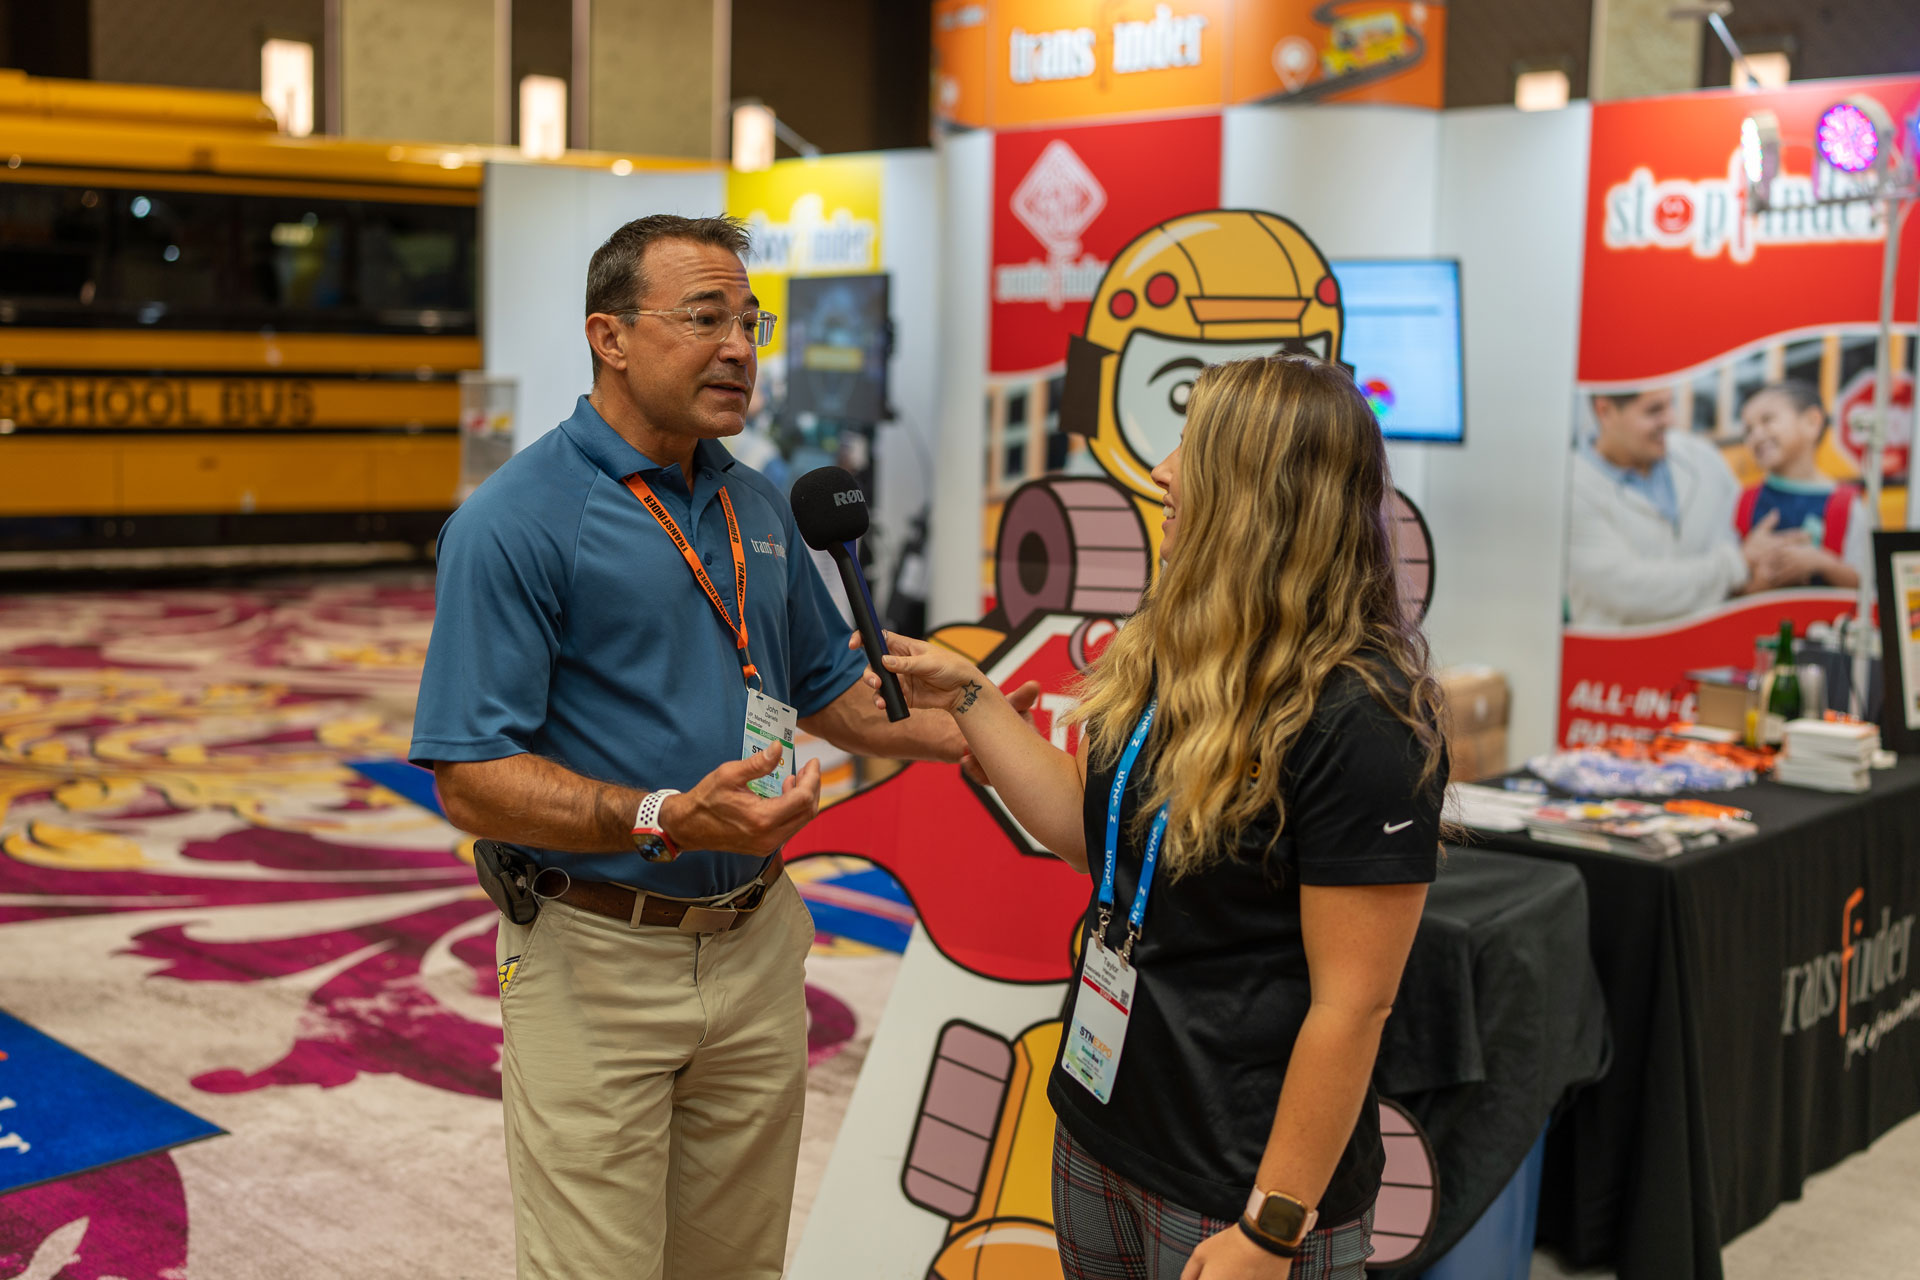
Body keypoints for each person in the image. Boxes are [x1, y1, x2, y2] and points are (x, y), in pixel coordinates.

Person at [409, 213, 992, 1280]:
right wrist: (662, 814)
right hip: (599, 956)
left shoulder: (756, 503)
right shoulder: (516, 521)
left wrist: (1003, 734)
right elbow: (470, 774)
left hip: (759, 941)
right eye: (705, 317)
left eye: (751, 321)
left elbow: (840, 698)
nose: (740, 346)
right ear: (611, 336)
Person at [867, 354, 1448, 1278]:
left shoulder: (1362, 714)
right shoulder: (1176, 649)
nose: (1161, 471)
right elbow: (1087, 834)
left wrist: (1271, 1229)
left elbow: (1355, 1004)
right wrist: (972, 694)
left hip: (1239, 1183)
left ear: (1263, 493)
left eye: (1193, 448)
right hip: (1105, 1128)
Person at [1567, 387, 1805, 627]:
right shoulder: (1571, 489)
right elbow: (1628, 589)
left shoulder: (1701, 457)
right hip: (1619, 660)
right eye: (1654, 411)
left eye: (1670, 404)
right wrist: (1737, 564)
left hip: (1708, 656)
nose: (1671, 420)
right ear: (1605, 411)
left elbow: (1741, 534)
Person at [1735, 379, 1871, 590]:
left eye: (1768, 420)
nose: (1756, 436)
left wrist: (1823, 564)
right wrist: (1756, 583)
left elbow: (1868, 586)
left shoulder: (1848, 505)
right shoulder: (1742, 502)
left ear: (1812, 422)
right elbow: (1727, 590)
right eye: (1748, 430)